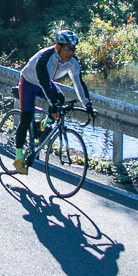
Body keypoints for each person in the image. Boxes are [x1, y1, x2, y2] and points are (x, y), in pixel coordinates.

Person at [13, 30, 95, 175]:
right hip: (29, 82)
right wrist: (53, 103)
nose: (71, 52)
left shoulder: (73, 62)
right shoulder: (45, 58)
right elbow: (44, 83)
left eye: (73, 49)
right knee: (26, 118)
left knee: (60, 99)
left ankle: (42, 126)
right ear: (58, 47)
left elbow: (79, 84)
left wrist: (87, 105)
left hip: (45, 82)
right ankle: (18, 158)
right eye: (67, 48)